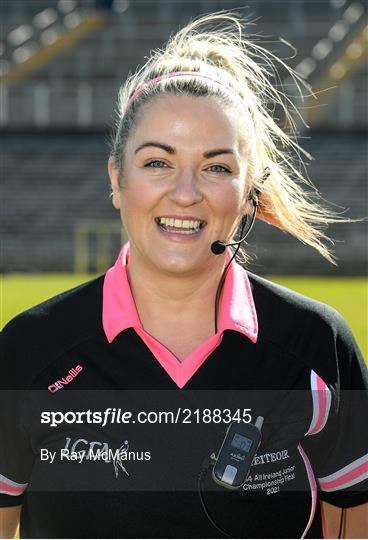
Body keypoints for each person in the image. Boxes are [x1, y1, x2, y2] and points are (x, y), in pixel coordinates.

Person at [1, 11, 367, 539]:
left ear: (248, 194)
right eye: (157, 162)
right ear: (116, 177)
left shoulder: (317, 346)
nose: (186, 192)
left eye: (217, 167)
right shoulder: (30, 352)